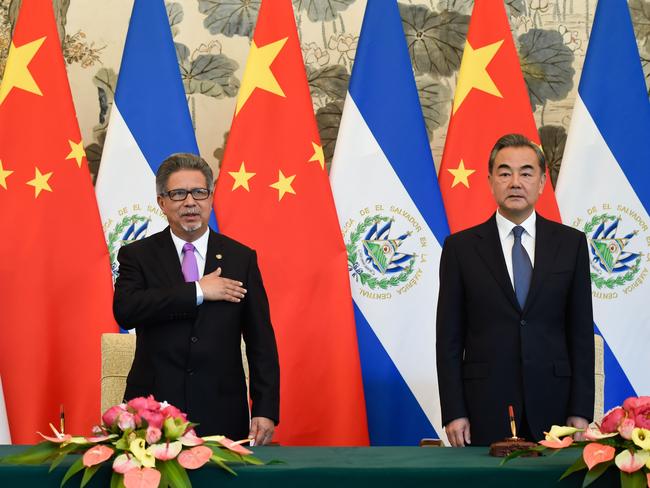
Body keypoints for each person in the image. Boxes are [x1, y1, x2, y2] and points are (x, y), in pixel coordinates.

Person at [436, 134, 594, 447]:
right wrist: (454, 411)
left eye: (526, 173)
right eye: (505, 173)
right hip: (484, 406)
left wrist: (580, 409)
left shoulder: (571, 244)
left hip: (555, 405)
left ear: (542, 181)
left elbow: (580, 333)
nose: (515, 183)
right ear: (491, 181)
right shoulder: (461, 248)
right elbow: (449, 340)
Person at [113, 153, 280, 445]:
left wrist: (265, 409)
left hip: (222, 409)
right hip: (152, 410)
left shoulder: (241, 258)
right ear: (162, 202)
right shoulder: (137, 255)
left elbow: (261, 341)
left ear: (211, 198)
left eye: (199, 192)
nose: (190, 202)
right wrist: (198, 291)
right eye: (178, 193)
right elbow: (126, 310)